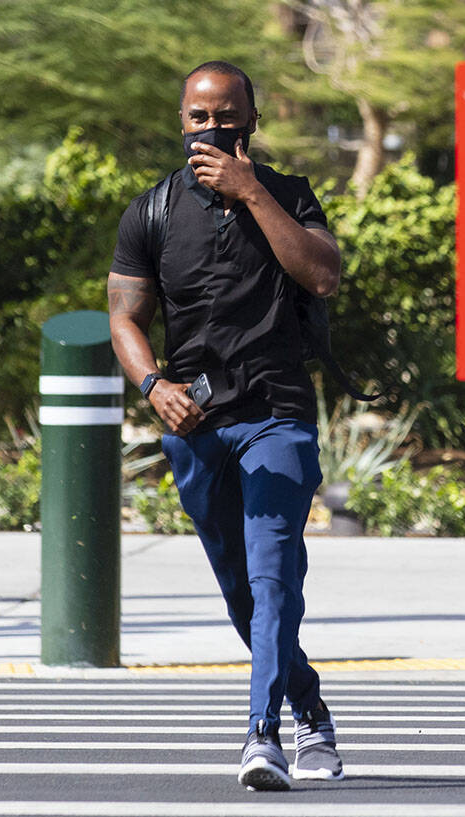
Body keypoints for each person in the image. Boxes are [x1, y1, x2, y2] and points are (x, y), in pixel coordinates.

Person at [107, 61, 346, 790]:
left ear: (253, 118)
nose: (212, 129)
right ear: (181, 122)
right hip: (196, 424)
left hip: (276, 415)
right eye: (199, 118)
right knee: (244, 595)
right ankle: (310, 706)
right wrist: (153, 384)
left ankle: (262, 734)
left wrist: (250, 193)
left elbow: (324, 274)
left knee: (275, 579)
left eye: (227, 115)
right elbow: (124, 315)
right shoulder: (151, 211)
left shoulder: (289, 194)